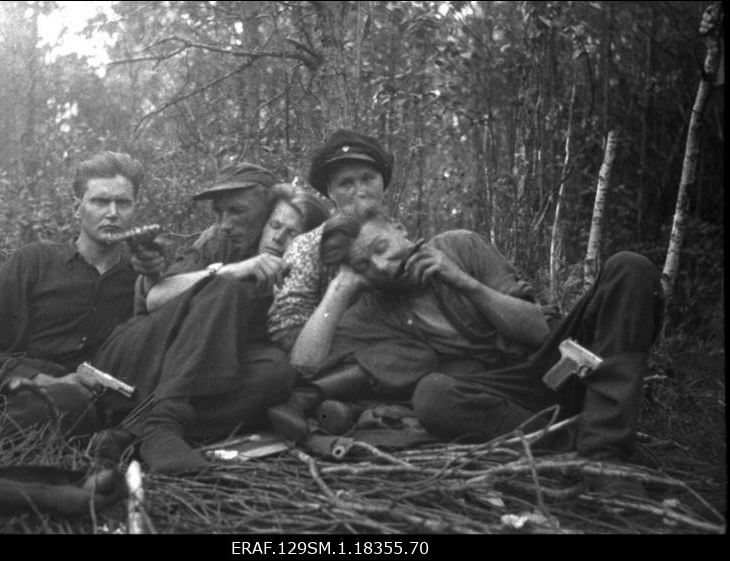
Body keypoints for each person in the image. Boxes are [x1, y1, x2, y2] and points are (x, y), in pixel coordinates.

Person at [276, 209, 663, 496]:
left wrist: (462, 281)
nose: (382, 263)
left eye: (382, 246)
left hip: (559, 362)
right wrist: (341, 288)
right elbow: (304, 366)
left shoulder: (459, 245)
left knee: (629, 268)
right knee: (433, 394)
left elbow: (537, 330)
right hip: (506, 402)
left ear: (399, 228)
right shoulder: (375, 308)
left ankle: (603, 454)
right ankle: (593, 441)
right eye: (366, 264)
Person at [72, 166, 329, 474]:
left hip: (180, 381)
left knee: (275, 372)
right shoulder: (218, 242)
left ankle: (131, 434)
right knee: (227, 289)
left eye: (237, 212)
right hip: (137, 357)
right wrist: (233, 269)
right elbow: (156, 299)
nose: (225, 224)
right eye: (219, 213)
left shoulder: (307, 266)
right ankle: (162, 423)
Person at [0, 151, 146, 438]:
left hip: (74, 399)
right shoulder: (35, 260)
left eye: (123, 203)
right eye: (99, 201)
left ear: (134, 209)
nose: (112, 213)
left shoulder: (140, 279)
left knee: (60, 409)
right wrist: (40, 379)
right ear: (76, 208)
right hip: (4, 378)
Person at [267, 129, 394, 352]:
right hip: (327, 355)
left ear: (383, 182)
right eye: (346, 183)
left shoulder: (398, 237)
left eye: (368, 179)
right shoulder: (308, 246)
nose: (360, 191)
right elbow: (286, 329)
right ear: (330, 191)